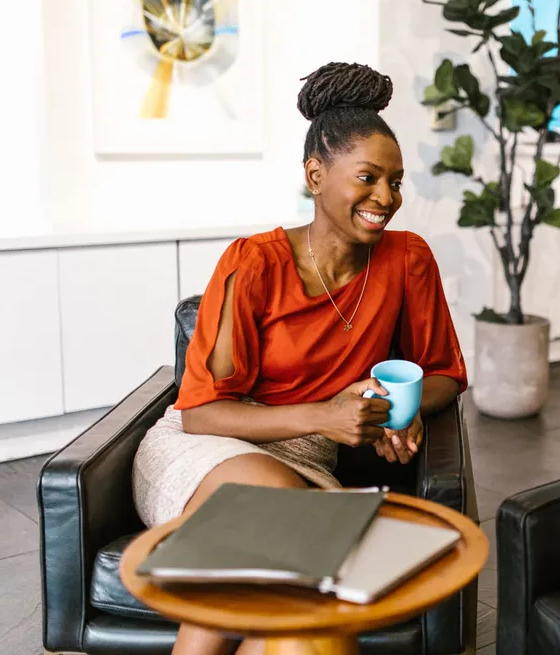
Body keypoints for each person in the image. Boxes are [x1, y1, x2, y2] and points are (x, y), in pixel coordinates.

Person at [131, 62, 467, 655]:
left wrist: (403, 412)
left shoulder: (408, 259)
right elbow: (203, 412)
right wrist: (326, 415)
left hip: (304, 462)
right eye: (367, 177)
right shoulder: (253, 263)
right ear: (316, 174)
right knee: (280, 528)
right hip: (204, 451)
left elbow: (445, 374)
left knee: (298, 622)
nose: (385, 198)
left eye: (396, 182)